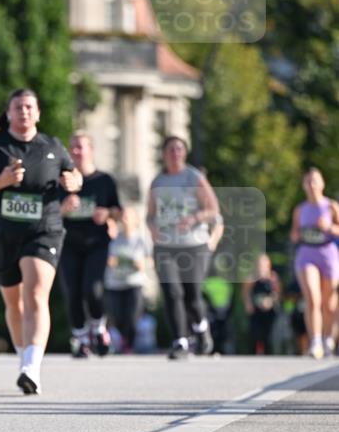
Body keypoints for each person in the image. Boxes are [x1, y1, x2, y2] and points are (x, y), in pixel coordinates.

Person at [0, 88, 82, 394]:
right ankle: (23, 357)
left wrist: (73, 181)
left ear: (38, 113)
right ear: (8, 113)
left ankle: (32, 366)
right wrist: (2, 181)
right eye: (18, 107)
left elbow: (75, 176)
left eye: (30, 107)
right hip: (4, 234)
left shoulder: (53, 146)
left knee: (35, 294)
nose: (24, 112)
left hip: (45, 229)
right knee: (14, 304)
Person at [146, 135, 220, 359]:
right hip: (166, 246)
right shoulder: (157, 182)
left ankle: (201, 328)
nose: (175, 153)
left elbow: (213, 209)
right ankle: (180, 341)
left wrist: (195, 218)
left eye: (179, 149)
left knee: (192, 295)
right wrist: (152, 228)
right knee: (171, 292)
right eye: (171, 149)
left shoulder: (193, 177)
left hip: (194, 245)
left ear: (184, 153)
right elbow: (150, 215)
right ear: (164, 154)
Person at [57, 131, 121, 357]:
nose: (75, 151)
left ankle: (99, 327)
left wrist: (107, 213)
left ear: (91, 150)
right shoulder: (61, 181)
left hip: (97, 243)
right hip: (68, 243)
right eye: (72, 147)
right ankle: (81, 338)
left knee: (92, 289)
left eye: (80, 146)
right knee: (72, 292)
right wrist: (62, 209)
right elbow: (48, 214)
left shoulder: (104, 181)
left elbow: (119, 211)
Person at [290, 167, 339, 359]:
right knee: (312, 297)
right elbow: (294, 234)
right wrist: (295, 235)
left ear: (322, 183)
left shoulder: (331, 207)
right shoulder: (300, 210)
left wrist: (329, 227)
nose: (311, 185)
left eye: (314, 181)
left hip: (328, 255)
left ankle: (328, 339)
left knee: (329, 304)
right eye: (307, 182)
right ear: (303, 185)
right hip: (307, 254)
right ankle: (315, 341)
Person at [104, 206, 150, 354]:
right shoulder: (114, 239)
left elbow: (149, 261)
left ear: (136, 220)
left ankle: (128, 343)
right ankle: (121, 340)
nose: (124, 219)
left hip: (134, 283)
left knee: (132, 316)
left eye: (128, 216)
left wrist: (143, 264)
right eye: (123, 216)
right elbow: (109, 260)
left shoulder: (142, 240)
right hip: (115, 284)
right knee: (116, 316)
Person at [242, 254, 280, 355]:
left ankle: (268, 353)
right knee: (256, 334)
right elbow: (246, 293)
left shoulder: (273, 277)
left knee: (268, 334)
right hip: (256, 310)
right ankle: (256, 353)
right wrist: (248, 304)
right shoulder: (252, 278)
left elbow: (278, 293)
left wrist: (270, 301)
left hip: (269, 311)